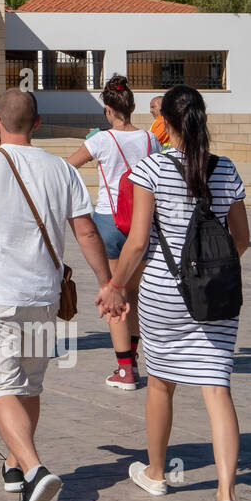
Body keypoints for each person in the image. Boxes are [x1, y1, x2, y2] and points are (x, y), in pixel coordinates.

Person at [0, 89, 119, 501]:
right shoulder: (62, 170)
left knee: (0, 388)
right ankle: (16, 465)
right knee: (29, 387)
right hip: (44, 298)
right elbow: (87, 235)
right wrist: (107, 284)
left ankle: (36, 469)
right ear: (37, 124)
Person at [97, 86, 250, 501]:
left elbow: (139, 242)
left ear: (168, 123)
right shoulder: (225, 170)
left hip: (164, 293)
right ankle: (225, 499)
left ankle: (157, 473)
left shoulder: (152, 169)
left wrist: (115, 285)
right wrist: (210, 270)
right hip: (217, 295)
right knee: (217, 389)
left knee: (162, 384)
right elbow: (241, 239)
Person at [66, 75, 158, 390]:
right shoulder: (150, 139)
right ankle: (131, 360)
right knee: (132, 293)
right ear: (132, 107)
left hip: (108, 220)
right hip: (143, 222)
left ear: (108, 110)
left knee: (112, 292)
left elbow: (67, 167)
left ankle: (125, 370)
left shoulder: (101, 140)